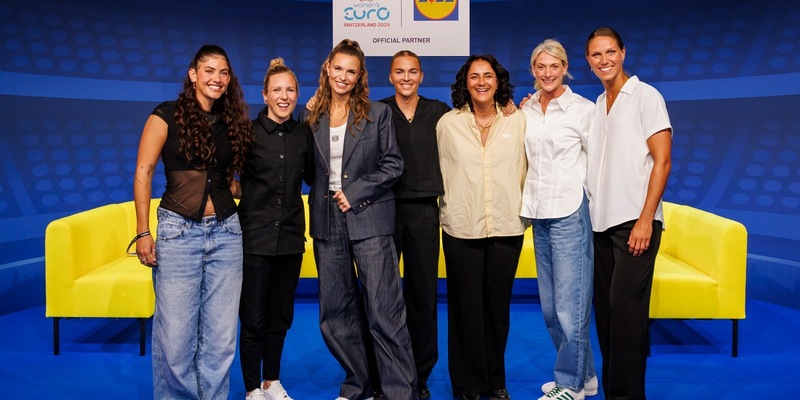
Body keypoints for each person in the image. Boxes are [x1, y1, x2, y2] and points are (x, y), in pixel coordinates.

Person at [133, 44, 253, 399]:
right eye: (210, 70)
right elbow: (144, 171)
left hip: (228, 235)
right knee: (175, 338)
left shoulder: (231, 123)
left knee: (220, 338)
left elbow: (229, 181)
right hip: (178, 233)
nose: (217, 78)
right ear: (193, 74)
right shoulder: (165, 114)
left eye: (224, 73)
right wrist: (142, 232)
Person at [301, 39, 416, 400]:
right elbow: (308, 172)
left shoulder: (377, 114)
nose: (343, 76)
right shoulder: (312, 117)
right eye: (338, 68)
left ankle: (399, 392)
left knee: (384, 311)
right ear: (327, 68)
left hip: (369, 216)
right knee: (336, 313)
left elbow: (394, 164)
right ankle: (358, 384)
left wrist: (357, 191)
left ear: (359, 76)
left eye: (351, 71)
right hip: (326, 220)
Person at [584, 27, 672, 400]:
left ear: (623, 52)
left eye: (609, 52)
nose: (604, 60)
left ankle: (628, 396)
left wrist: (645, 218)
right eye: (595, 55)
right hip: (600, 226)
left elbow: (663, 160)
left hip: (634, 225)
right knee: (605, 315)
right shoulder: (599, 104)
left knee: (626, 315)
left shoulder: (645, 96)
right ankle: (614, 392)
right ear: (588, 62)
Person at [436, 54, 527, 400]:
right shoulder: (447, 124)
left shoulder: (519, 121)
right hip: (461, 228)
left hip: (506, 226)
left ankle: (495, 381)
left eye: (488, 76)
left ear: (498, 81)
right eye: (474, 77)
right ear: (465, 83)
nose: (481, 82)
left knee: (496, 309)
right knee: (464, 309)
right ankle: (467, 385)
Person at [519, 39, 598, 400]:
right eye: (541, 67)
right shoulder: (527, 108)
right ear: (533, 70)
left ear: (565, 68)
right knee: (552, 309)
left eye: (555, 66)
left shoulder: (584, 110)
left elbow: (597, 165)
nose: (548, 73)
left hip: (570, 213)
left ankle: (570, 385)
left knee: (571, 307)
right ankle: (587, 377)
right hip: (539, 215)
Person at [237, 58, 313, 400]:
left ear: (298, 95)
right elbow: (229, 180)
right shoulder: (247, 133)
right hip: (254, 237)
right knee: (253, 316)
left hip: (292, 238)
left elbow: (315, 176)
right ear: (264, 95)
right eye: (277, 90)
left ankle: (272, 381)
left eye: (290, 90)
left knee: (281, 315)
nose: (284, 97)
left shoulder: (304, 134)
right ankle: (253, 387)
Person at [379, 50, 450, 400]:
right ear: (390, 76)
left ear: (421, 76)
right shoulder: (376, 111)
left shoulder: (440, 113)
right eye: (399, 72)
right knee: (383, 299)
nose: (406, 77)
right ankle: (385, 371)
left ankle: (420, 374)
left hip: (424, 212)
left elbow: (481, 121)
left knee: (423, 296)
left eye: (412, 72)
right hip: (384, 210)